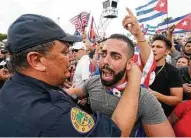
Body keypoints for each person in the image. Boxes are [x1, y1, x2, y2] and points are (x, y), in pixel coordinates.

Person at [0, 14, 140, 137]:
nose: (71, 58)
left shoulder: (10, 88)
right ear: (36, 60)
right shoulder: (54, 116)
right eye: (65, 52)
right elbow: (116, 133)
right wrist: (134, 80)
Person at [65, 8, 175, 137]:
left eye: (115, 56)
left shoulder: (144, 98)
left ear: (129, 64)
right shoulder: (93, 82)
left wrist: (138, 34)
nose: (105, 61)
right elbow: (72, 93)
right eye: (103, 54)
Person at [149, 35, 183, 117]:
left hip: (161, 116)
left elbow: (177, 100)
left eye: (158, 47)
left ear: (167, 52)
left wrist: (156, 95)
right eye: (152, 46)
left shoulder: (172, 71)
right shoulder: (143, 67)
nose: (154, 49)